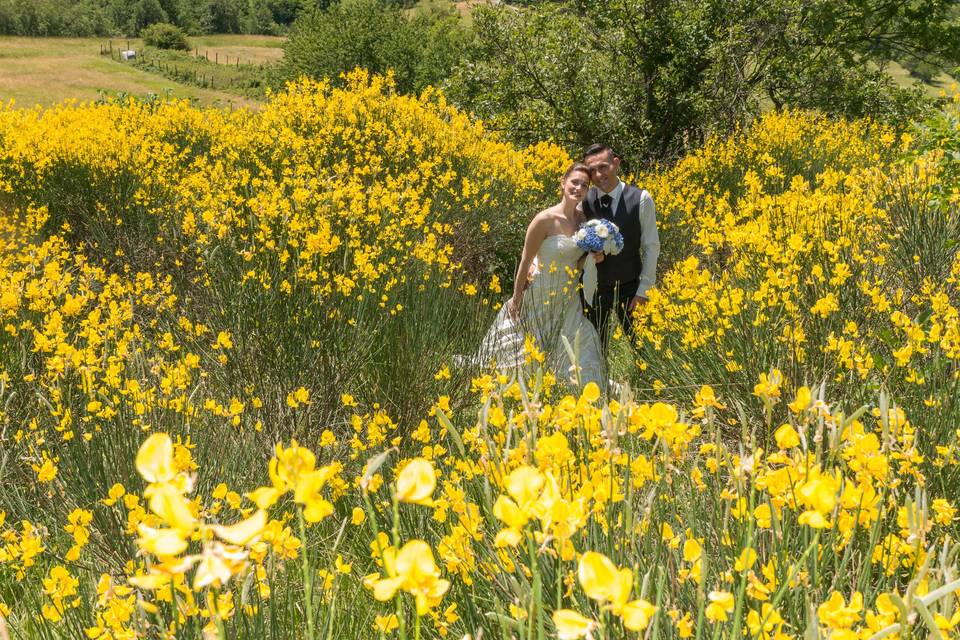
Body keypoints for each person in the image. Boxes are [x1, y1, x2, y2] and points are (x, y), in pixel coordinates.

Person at [464, 162, 605, 388]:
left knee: (576, 338)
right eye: (574, 182)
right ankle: (520, 386)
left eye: (584, 185)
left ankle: (573, 387)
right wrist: (517, 298)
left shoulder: (584, 222)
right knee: (527, 344)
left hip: (568, 297)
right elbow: (525, 261)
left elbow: (578, 260)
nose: (578, 188)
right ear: (563, 182)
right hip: (540, 291)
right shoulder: (544, 220)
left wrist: (594, 256)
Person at [580, 144, 660, 352]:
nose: (598, 175)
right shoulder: (584, 200)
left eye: (603, 167)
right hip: (593, 288)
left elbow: (652, 247)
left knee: (644, 350)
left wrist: (643, 291)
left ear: (616, 163)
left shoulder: (641, 199)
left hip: (631, 287)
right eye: (592, 171)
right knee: (595, 350)